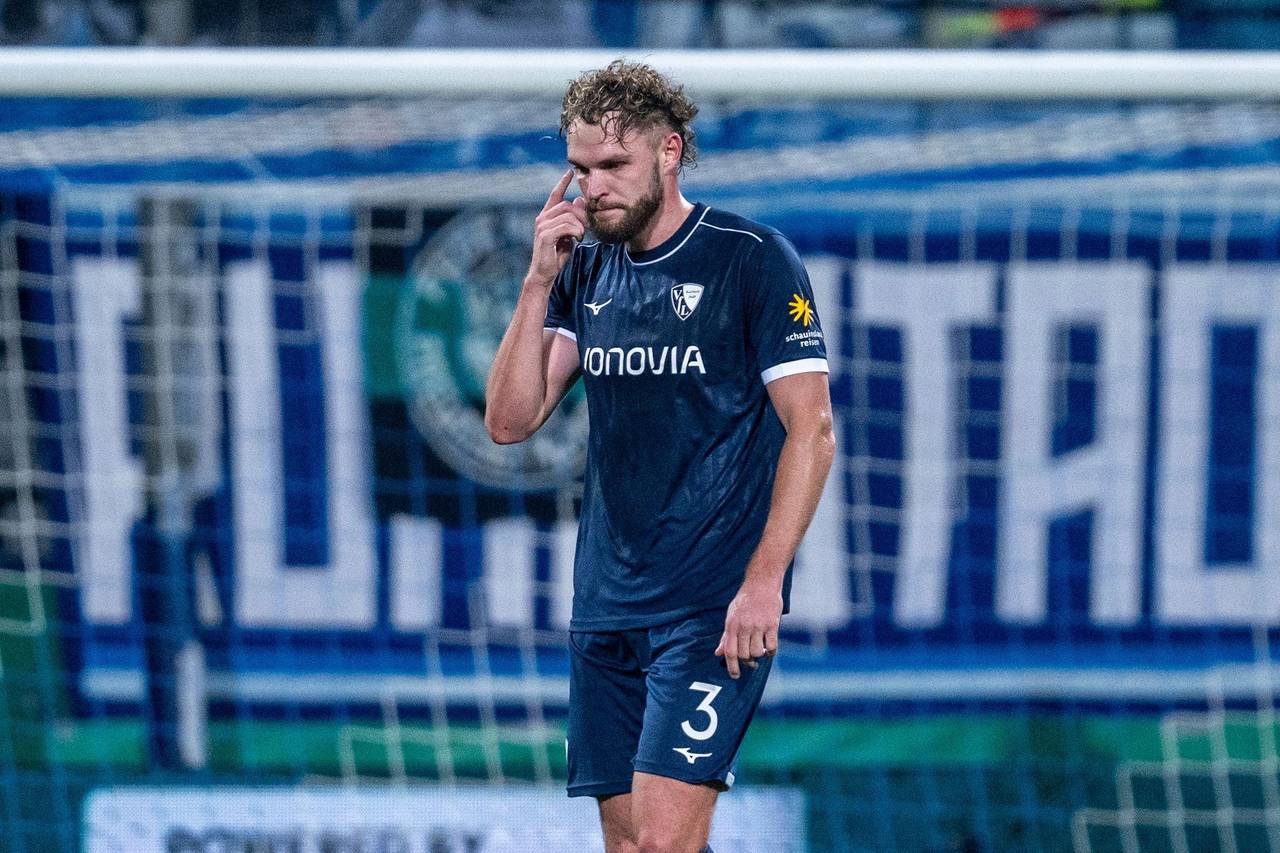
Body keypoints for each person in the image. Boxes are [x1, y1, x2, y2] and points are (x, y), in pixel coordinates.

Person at [485, 59, 835, 853]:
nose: (594, 187)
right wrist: (537, 282)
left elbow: (813, 429)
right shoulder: (583, 268)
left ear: (669, 151)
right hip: (606, 604)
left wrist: (764, 581)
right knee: (630, 846)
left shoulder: (751, 258)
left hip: (710, 605)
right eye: (581, 169)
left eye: (614, 165)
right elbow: (510, 420)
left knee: (661, 846)